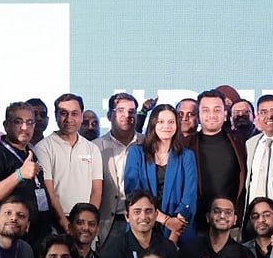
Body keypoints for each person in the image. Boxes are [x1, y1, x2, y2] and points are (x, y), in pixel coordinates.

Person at [123, 103, 198, 246]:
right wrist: (165, 220)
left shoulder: (187, 156)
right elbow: (133, 194)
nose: (166, 126)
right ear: (153, 125)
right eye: (161, 122)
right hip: (143, 224)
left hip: (179, 228)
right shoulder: (136, 153)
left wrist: (174, 233)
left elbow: (190, 196)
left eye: (171, 122)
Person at [0, 101, 51, 252]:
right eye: (18, 122)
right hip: (13, 237)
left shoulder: (31, 153)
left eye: (29, 122)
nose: (25, 128)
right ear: (6, 125)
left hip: (39, 235)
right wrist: (19, 174)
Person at [38, 93, 102, 235]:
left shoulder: (92, 149)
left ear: (81, 116)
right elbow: (49, 190)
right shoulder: (43, 147)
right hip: (55, 221)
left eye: (74, 114)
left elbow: (97, 190)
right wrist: (63, 222)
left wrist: (89, 221)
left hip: (84, 223)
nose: (69, 119)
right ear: (56, 116)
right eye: (63, 114)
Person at [188, 89, 246, 226]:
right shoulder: (185, 145)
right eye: (206, 110)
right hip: (196, 223)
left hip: (232, 224)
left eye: (217, 110)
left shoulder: (241, 141)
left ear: (225, 114)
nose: (211, 115)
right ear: (199, 115)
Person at [95, 92, 142, 244]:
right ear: (109, 116)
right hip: (107, 222)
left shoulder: (147, 143)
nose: (127, 115)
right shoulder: (95, 147)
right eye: (120, 111)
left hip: (141, 221)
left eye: (131, 111)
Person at [243, 94, 273, 206]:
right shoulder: (251, 143)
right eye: (263, 112)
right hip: (254, 215)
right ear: (257, 116)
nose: (269, 116)